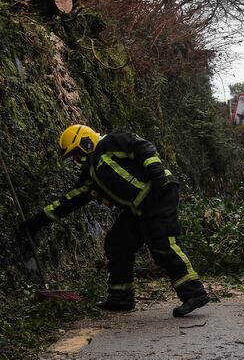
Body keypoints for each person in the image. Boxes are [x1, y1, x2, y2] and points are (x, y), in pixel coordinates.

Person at [23, 125, 209, 316]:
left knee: (163, 242)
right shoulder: (91, 174)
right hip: (138, 207)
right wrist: (38, 220)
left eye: (76, 153)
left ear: (85, 142)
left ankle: (194, 293)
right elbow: (70, 200)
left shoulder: (111, 143)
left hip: (159, 193)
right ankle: (121, 298)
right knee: (118, 243)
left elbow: (143, 147)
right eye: (73, 157)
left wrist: (157, 173)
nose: (77, 159)